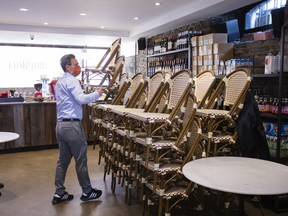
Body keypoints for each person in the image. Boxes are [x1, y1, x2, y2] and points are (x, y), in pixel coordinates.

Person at [52, 54, 103, 204]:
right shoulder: (72, 80)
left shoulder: (60, 82)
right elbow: (81, 99)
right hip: (72, 126)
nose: (78, 66)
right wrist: (97, 94)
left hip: (60, 125)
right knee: (81, 159)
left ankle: (59, 193)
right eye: (75, 64)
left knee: (62, 161)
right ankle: (87, 191)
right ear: (68, 67)